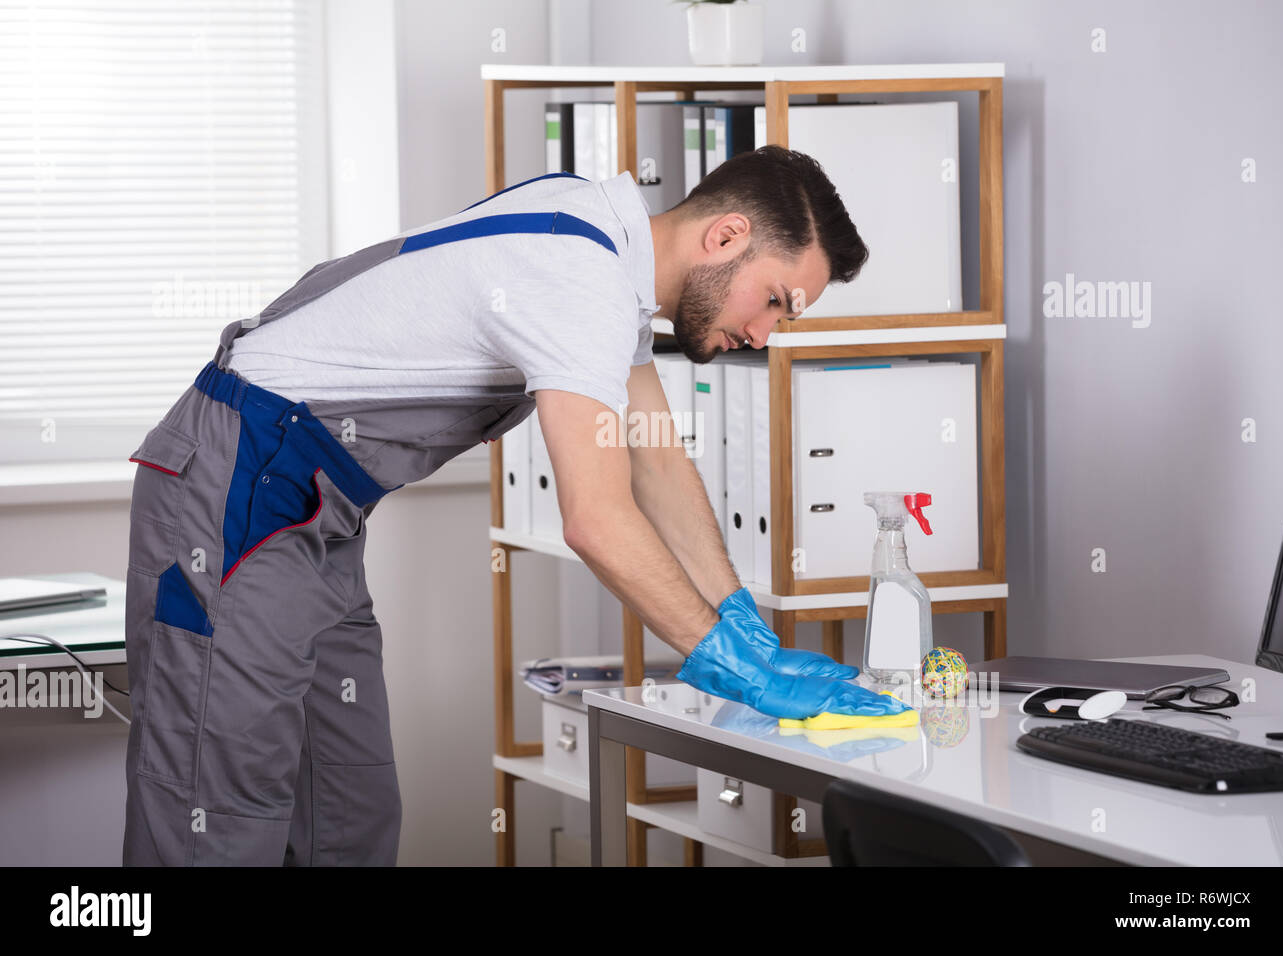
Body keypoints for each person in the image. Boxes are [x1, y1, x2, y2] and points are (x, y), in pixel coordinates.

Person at [121, 145, 906, 867]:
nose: (764, 334)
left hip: (316, 516)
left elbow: (655, 458)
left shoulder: (607, 247)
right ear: (727, 235)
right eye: (774, 301)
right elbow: (596, 519)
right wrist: (736, 669)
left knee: (347, 811)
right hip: (235, 486)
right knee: (219, 809)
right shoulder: (578, 275)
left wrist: (740, 619)